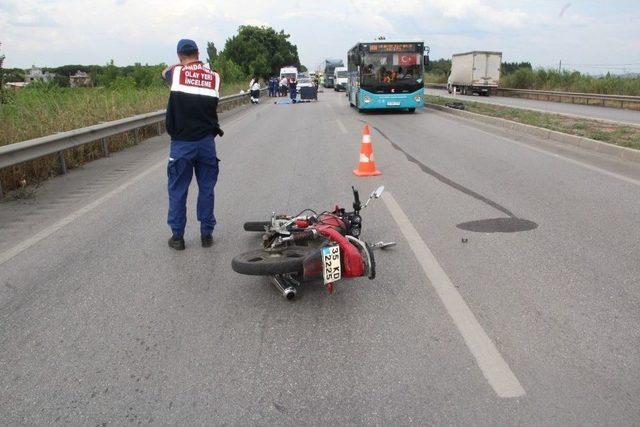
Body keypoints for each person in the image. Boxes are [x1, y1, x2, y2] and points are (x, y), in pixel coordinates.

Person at [161, 39, 222, 250]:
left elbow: (164, 72)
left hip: (181, 144)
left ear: (179, 57)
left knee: (178, 190)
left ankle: (177, 237)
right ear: (198, 53)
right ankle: (207, 235)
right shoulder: (214, 77)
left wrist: (183, 66)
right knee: (207, 189)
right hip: (206, 143)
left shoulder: (176, 74)